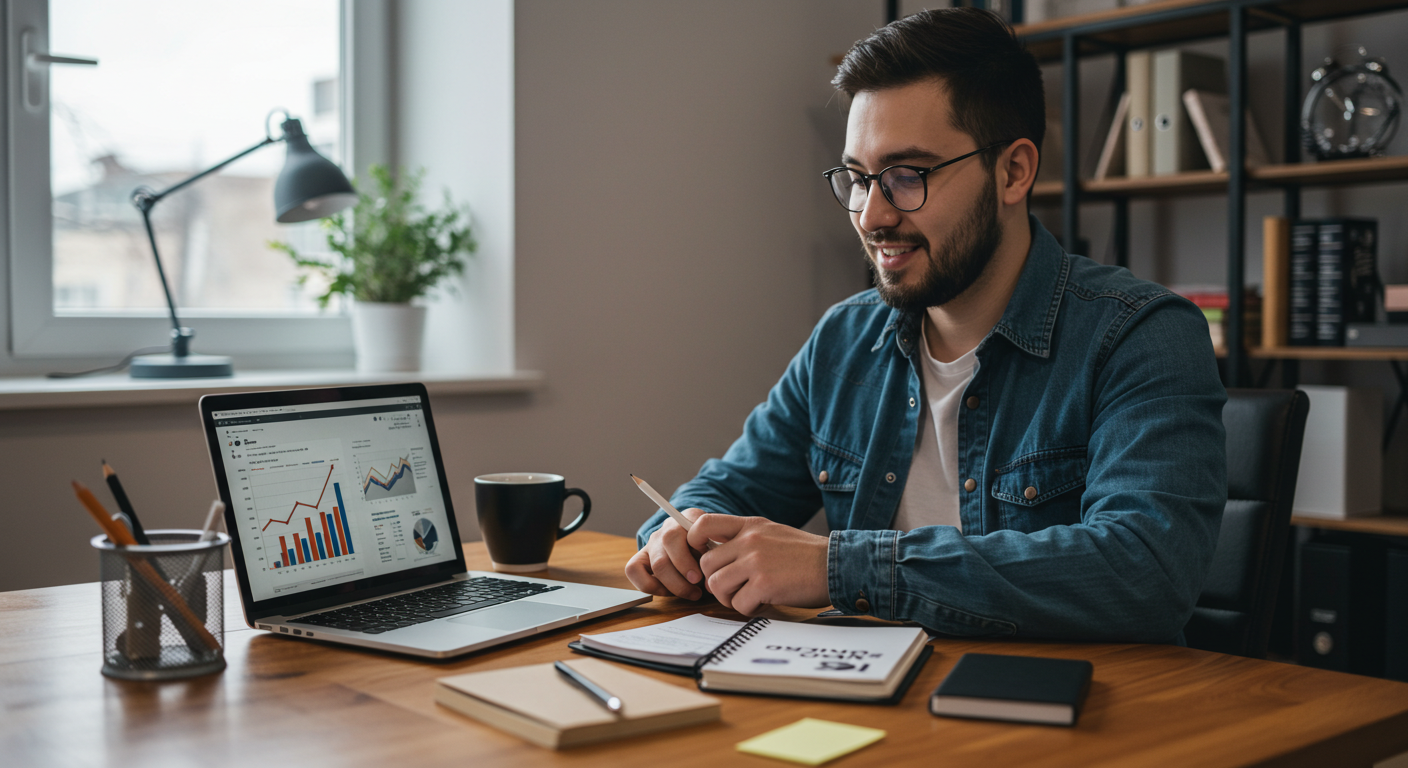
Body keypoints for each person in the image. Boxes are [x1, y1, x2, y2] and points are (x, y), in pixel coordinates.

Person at [624, 8, 1226, 643]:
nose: (872, 214)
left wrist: (838, 567)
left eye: (907, 176)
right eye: (858, 179)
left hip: (1069, 712)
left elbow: (1145, 573)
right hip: (869, 702)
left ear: (1014, 172)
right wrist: (677, 537)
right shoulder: (844, 340)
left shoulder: (1141, 334)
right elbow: (725, 490)